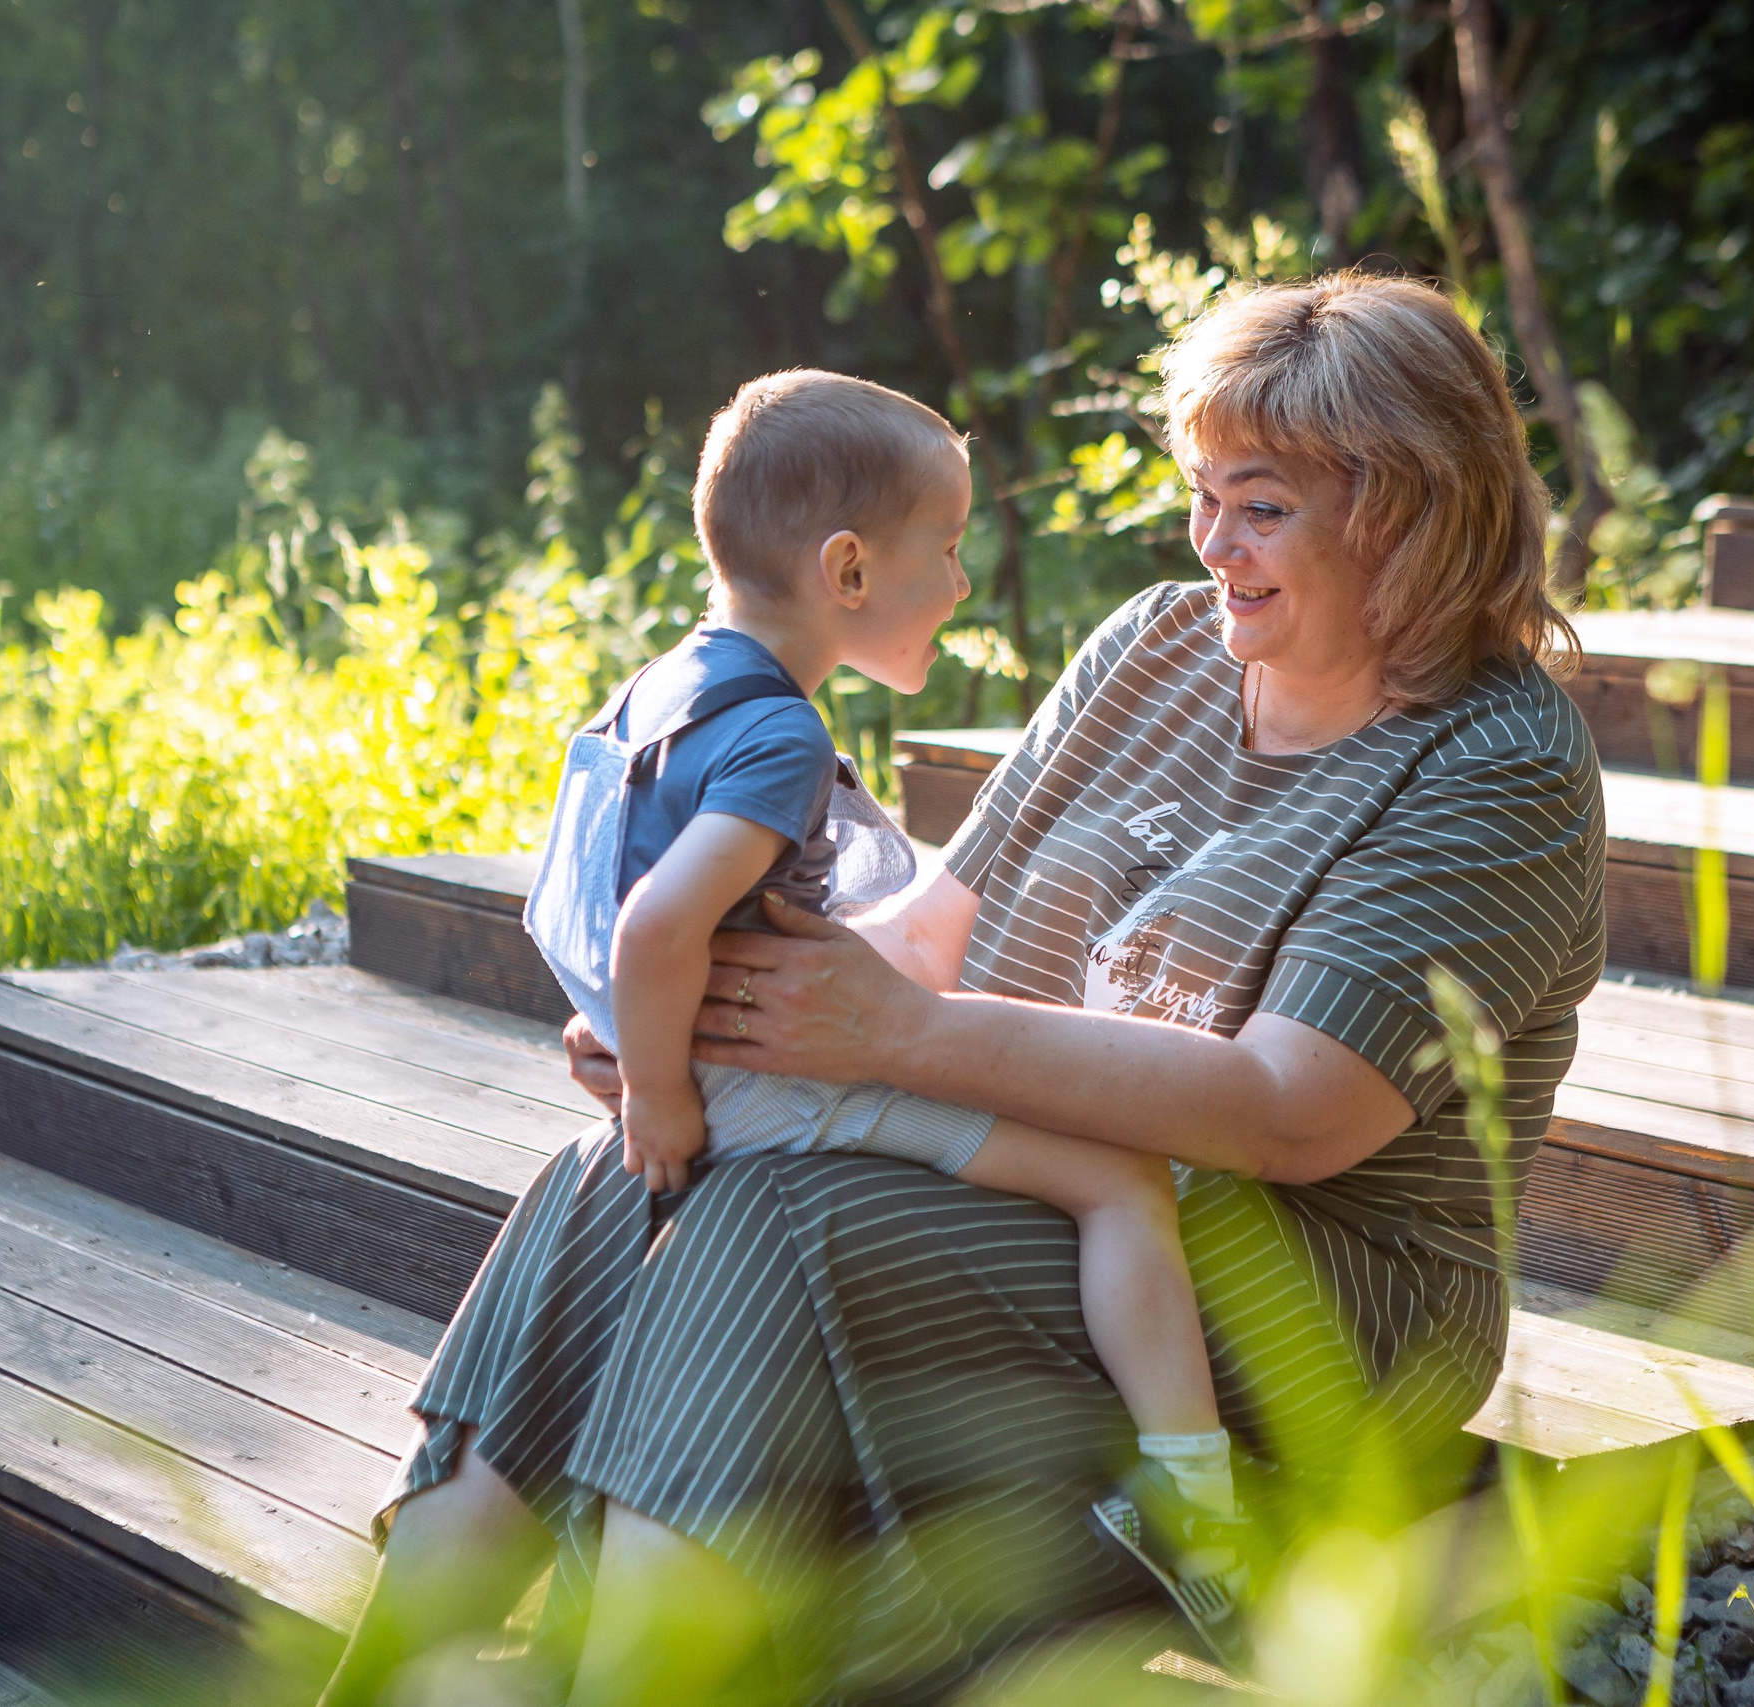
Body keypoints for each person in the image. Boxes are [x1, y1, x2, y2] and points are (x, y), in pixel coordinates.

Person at [326, 272, 1606, 1707]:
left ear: (1409, 511)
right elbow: (931, 930)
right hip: (1074, 1182)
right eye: (1203, 496)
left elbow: (1291, 1111)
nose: (1212, 543)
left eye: (1263, 507)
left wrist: (904, 1037)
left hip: (1316, 1285)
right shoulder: (1155, 646)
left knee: (771, 1221)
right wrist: (707, 1023)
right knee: (618, 1173)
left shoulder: (1497, 762)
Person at [522, 369, 1254, 1646]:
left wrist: (643, 1040)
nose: (964, 584)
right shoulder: (783, 736)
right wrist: (660, 1092)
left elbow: (609, 899)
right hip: (768, 1087)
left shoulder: (656, 689)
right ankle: (1199, 1501)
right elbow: (655, 925)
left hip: (720, 1061)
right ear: (848, 570)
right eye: (950, 550)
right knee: (1121, 1179)